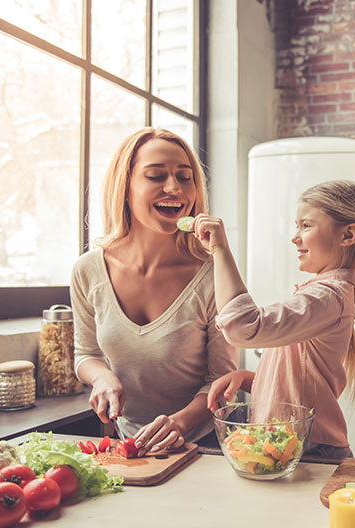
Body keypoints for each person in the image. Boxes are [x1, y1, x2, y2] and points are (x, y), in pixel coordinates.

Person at [72, 128, 238, 456]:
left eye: (185, 177)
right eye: (156, 175)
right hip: (130, 444)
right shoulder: (88, 270)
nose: (175, 188)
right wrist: (102, 377)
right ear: (125, 187)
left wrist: (179, 424)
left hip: (207, 446)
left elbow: (223, 381)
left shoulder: (212, 275)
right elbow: (85, 354)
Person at [193, 180, 355, 459]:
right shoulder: (326, 295)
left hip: (311, 452)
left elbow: (243, 327)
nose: (295, 237)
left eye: (306, 225)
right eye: (297, 225)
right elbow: (299, 383)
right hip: (296, 448)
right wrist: (249, 379)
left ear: (348, 235)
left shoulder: (328, 296)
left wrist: (220, 250)